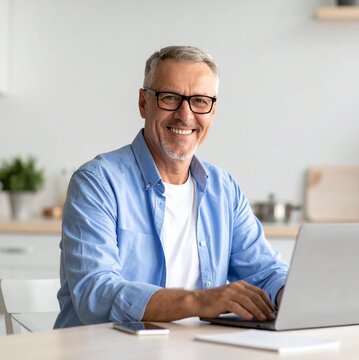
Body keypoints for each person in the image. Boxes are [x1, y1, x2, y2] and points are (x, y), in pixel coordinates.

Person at [54, 45, 288, 328]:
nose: (185, 115)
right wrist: (199, 301)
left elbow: (266, 273)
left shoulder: (224, 189)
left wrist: (290, 293)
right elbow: (96, 293)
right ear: (143, 103)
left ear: (213, 111)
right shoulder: (97, 183)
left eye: (200, 101)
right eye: (170, 98)